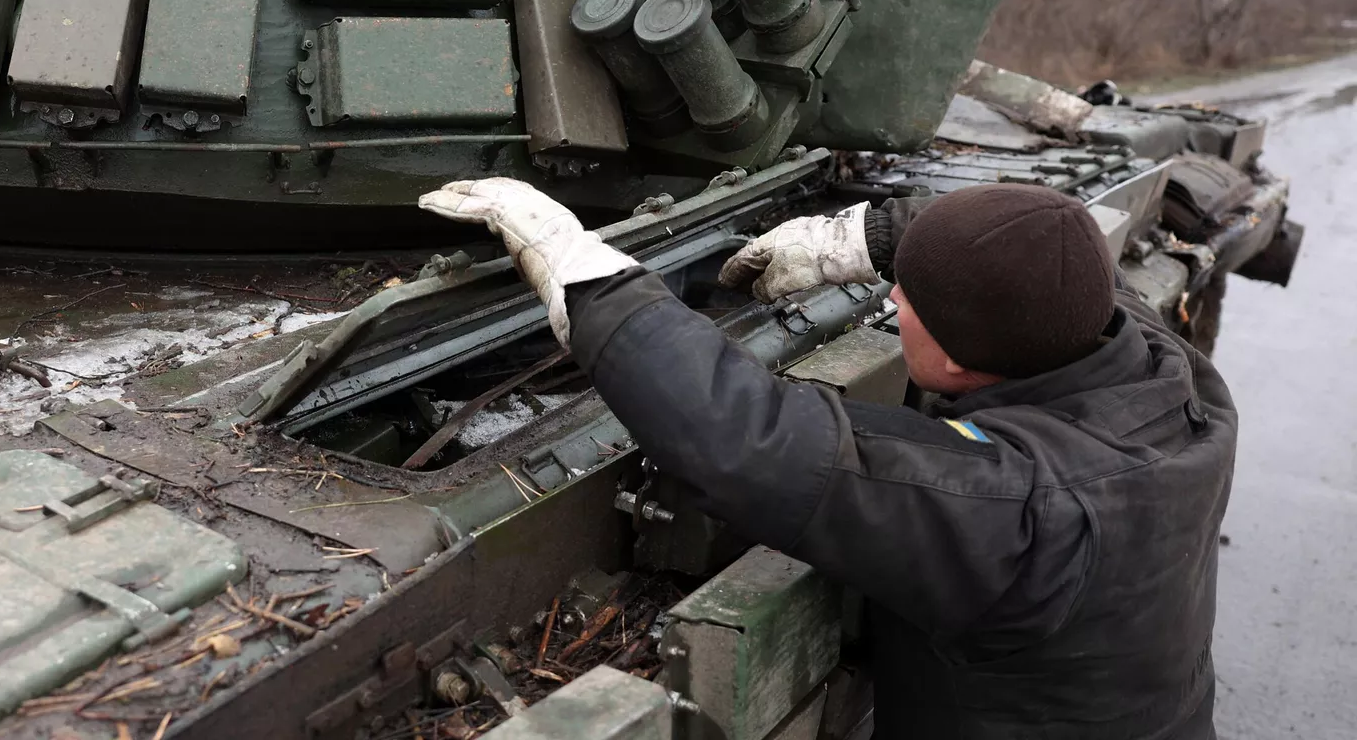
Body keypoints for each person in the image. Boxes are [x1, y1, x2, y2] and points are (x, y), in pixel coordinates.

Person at [419, 179, 1234, 740]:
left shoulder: (1025, 512)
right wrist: (871, 236)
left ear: (954, 364)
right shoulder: (1166, 372)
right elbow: (1049, 241)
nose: (890, 301)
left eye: (907, 302)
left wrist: (581, 271)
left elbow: (747, 437)